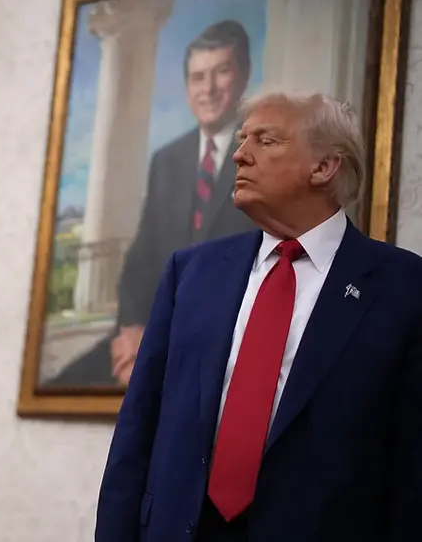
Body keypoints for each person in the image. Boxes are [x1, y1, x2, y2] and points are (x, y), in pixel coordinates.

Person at [94, 91, 422, 541]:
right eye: (242, 139)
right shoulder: (189, 273)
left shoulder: (404, 288)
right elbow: (138, 430)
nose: (239, 156)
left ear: (325, 167)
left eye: (264, 141)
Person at [51, 20, 256, 387]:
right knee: (64, 383)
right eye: (197, 77)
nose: (207, 89)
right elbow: (140, 260)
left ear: (244, 76)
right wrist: (131, 331)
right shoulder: (168, 160)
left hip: (221, 343)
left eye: (221, 72)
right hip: (153, 333)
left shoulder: (262, 156)